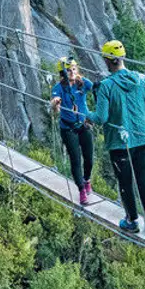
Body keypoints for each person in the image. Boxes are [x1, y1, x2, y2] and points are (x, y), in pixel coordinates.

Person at [91, 39, 145, 237]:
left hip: (119, 142)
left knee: (125, 181)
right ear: (123, 57)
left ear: (107, 60)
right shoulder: (142, 79)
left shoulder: (106, 86)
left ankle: (132, 221)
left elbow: (100, 118)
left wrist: (85, 115)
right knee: (144, 178)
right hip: (143, 138)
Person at [49, 57, 95, 204]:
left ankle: (87, 179)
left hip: (83, 124)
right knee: (75, 160)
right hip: (68, 128)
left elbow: (95, 88)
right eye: (68, 70)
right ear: (62, 73)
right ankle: (81, 190)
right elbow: (54, 103)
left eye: (74, 68)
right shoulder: (59, 87)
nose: (72, 72)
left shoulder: (82, 82)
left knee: (89, 159)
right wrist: (55, 103)